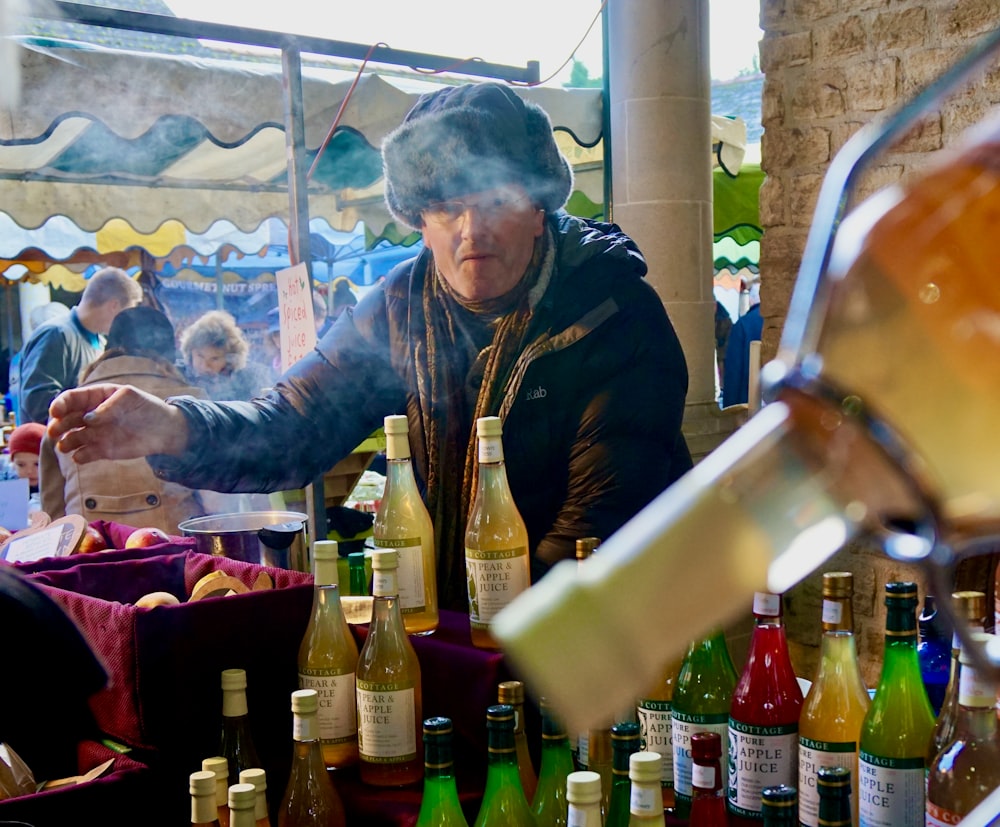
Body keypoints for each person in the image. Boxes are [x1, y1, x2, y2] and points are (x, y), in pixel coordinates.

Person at [47, 82, 692, 611]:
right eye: (446, 206)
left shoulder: (612, 311)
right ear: (418, 216)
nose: (472, 231)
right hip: (469, 630)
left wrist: (492, 656)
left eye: (496, 200)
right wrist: (172, 425)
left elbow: (595, 526)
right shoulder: (402, 304)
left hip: (604, 628)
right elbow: (293, 424)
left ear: (539, 205)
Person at [39, 306, 208, 534]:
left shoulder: (68, 408)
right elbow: (218, 505)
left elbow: (52, 514)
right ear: (170, 351)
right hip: (177, 556)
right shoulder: (193, 402)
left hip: (89, 554)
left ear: (109, 345)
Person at [17, 267, 142, 424]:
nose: (126, 321)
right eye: (126, 312)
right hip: (48, 444)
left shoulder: (101, 342)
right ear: (113, 305)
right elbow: (37, 403)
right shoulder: (56, 335)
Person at [179, 309, 270, 402]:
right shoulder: (176, 376)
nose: (205, 366)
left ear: (229, 359)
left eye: (214, 359)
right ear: (190, 351)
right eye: (200, 356)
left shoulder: (246, 381)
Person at [721, 287, 763, 408]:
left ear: (751, 300)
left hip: (747, 402)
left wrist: (729, 407)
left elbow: (734, 372)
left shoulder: (743, 325)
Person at [7, 422, 45, 496]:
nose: (29, 471)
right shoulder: (7, 485)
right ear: (12, 463)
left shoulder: (60, 486)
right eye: (21, 465)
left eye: (37, 464)